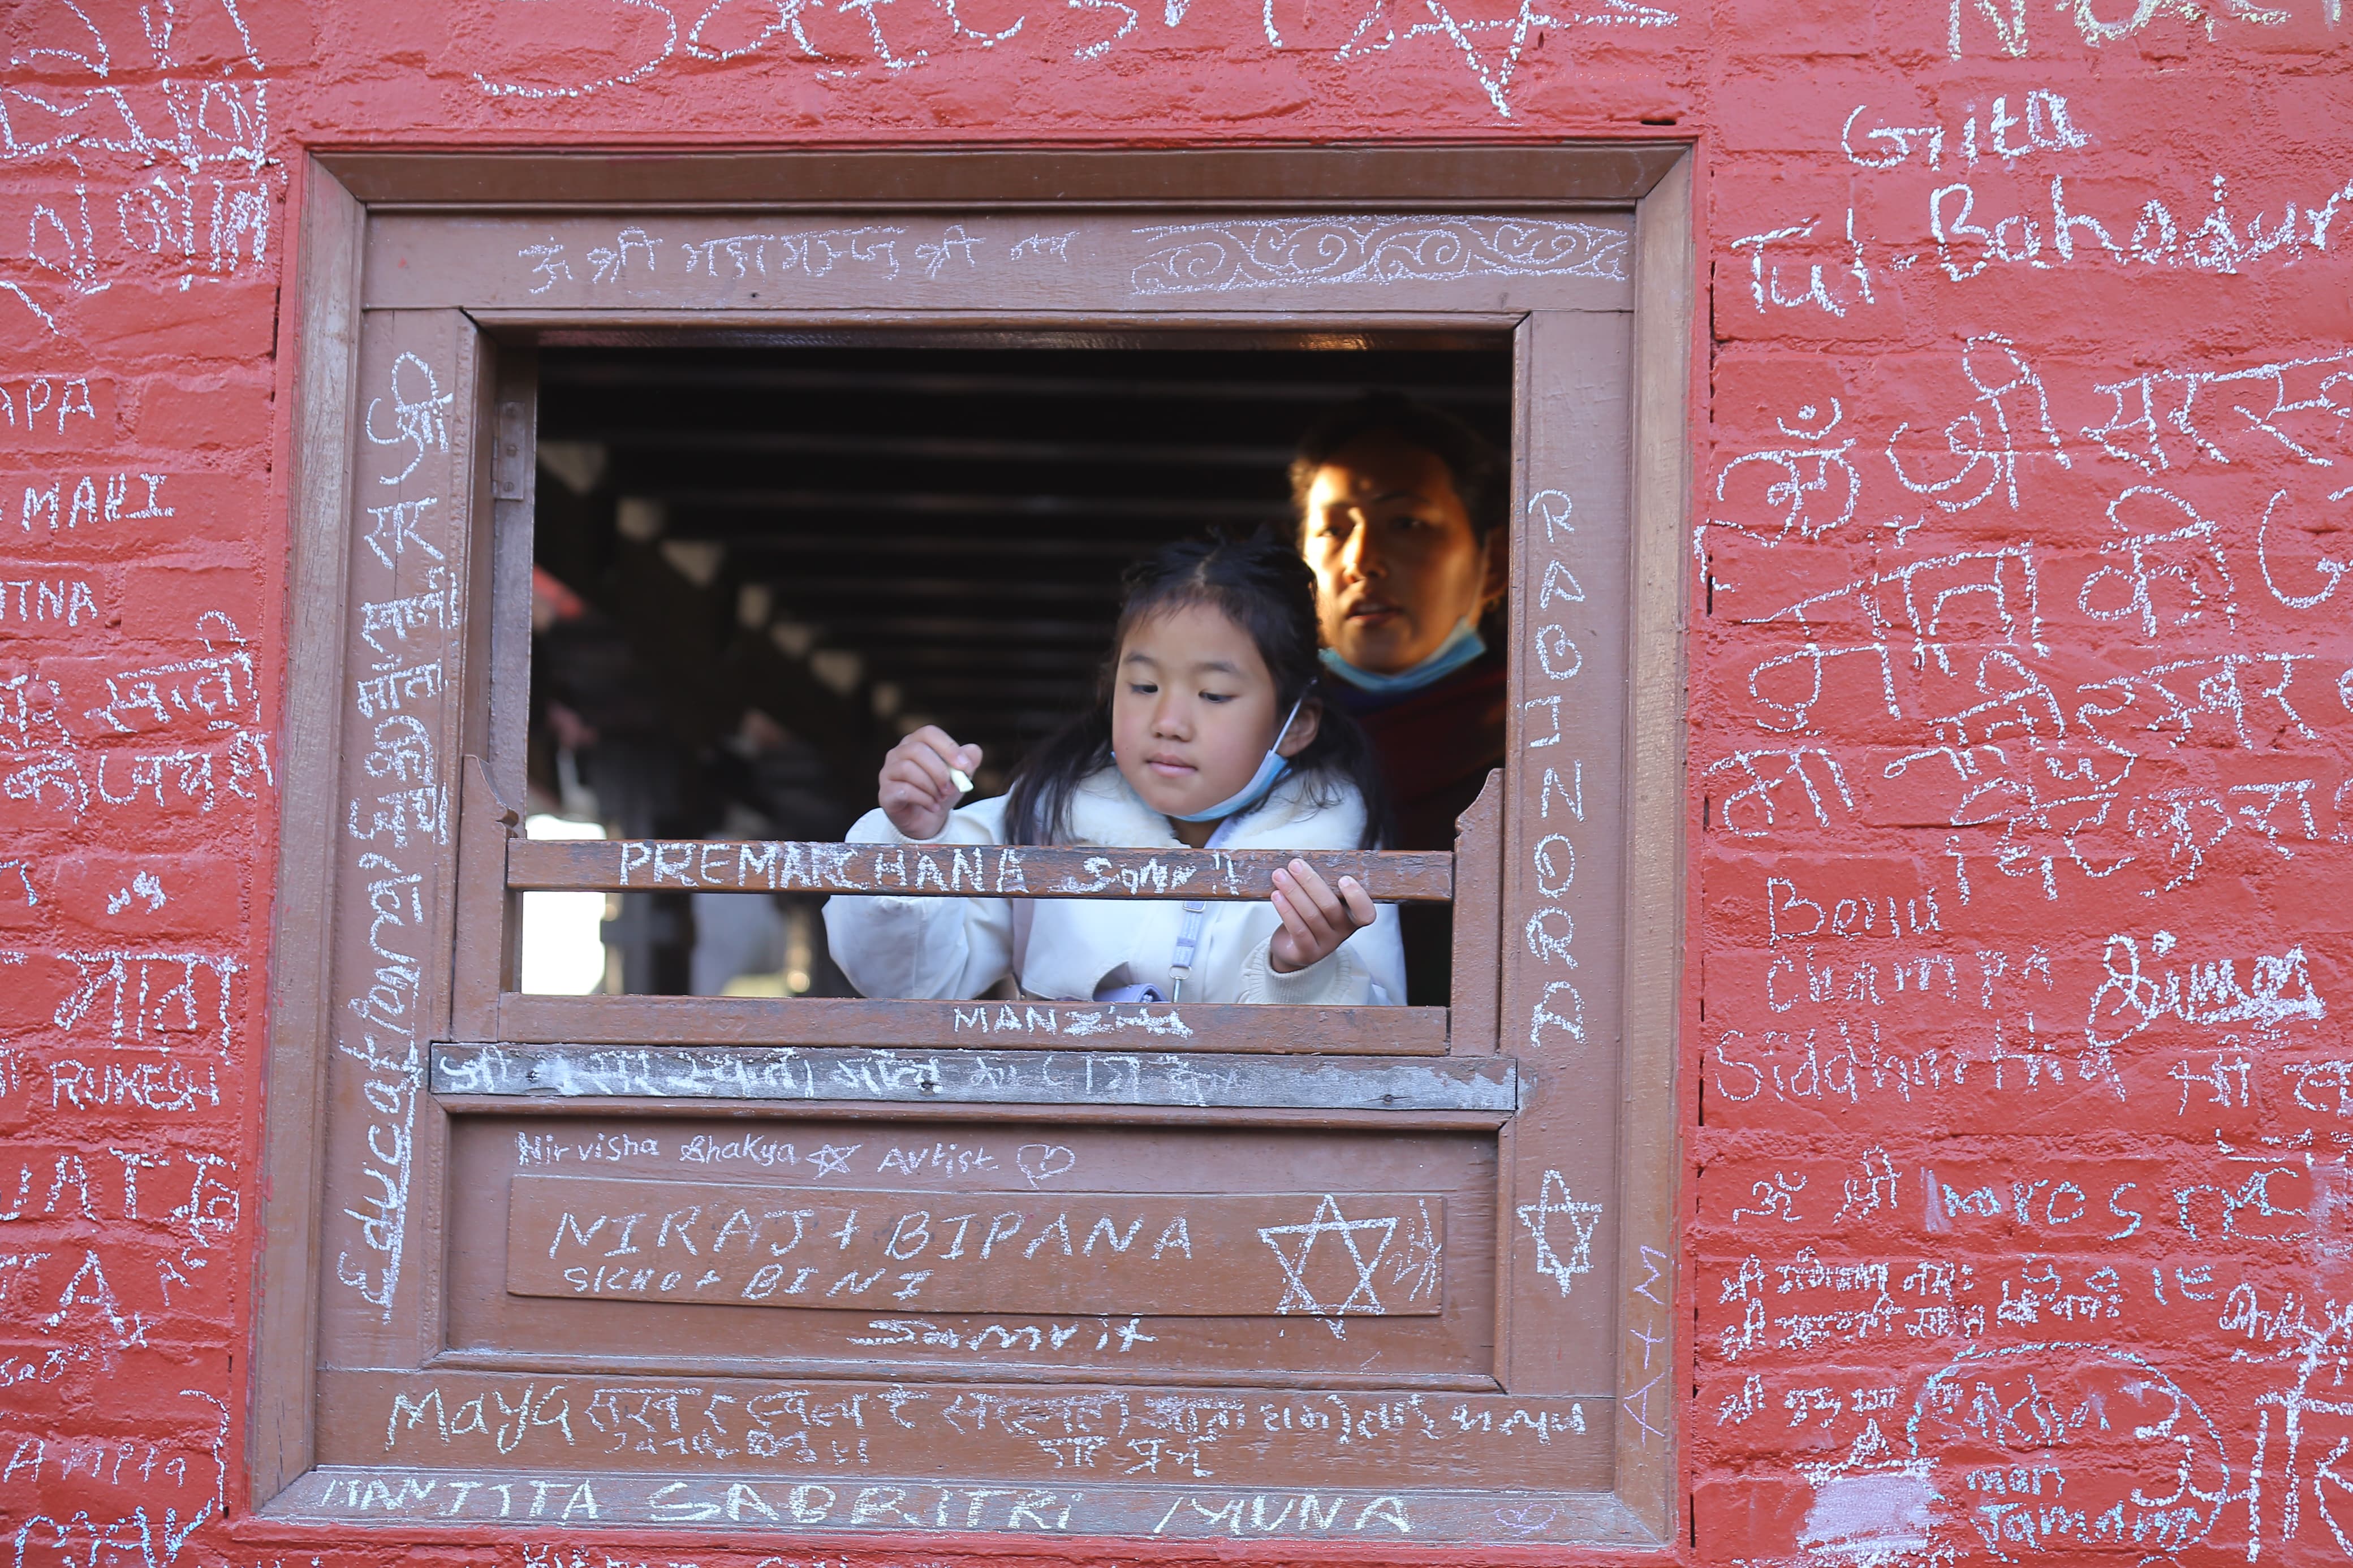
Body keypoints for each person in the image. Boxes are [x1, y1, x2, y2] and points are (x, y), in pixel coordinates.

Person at [824, 533, 1404, 1007]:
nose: (1169, 721)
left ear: (1296, 723)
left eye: (1214, 694)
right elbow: (905, 984)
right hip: (1060, 1147)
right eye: (1144, 686)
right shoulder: (1040, 816)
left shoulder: (1339, 855)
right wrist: (910, 843)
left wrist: (1299, 970)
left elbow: (1378, 1059)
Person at [1292, 393, 1509, 1004]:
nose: (1361, 561)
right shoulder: (1254, 739)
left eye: (1406, 524)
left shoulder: (1544, 739)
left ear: (1494, 564)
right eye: (1333, 531)